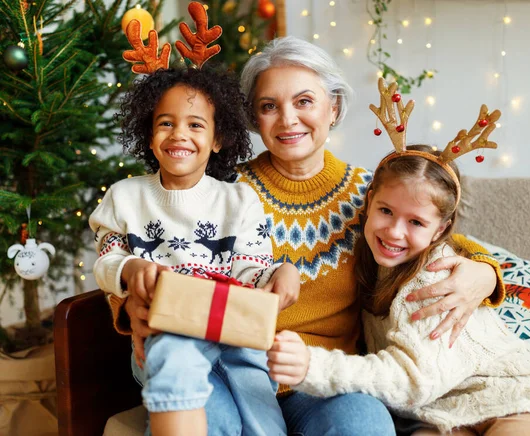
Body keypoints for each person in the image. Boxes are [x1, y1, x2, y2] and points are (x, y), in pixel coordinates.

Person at [120, 36, 506, 435]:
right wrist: (127, 300)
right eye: (269, 106)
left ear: (333, 107)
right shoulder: (220, 191)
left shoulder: (371, 194)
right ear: (255, 118)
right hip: (223, 368)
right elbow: (147, 243)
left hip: (323, 380)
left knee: (365, 424)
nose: (288, 120)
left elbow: (440, 237)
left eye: (304, 101)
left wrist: (485, 273)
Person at [266, 143, 530, 436]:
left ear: (441, 230)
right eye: (386, 211)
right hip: (440, 411)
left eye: (416, 223)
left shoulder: (435, 274)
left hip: (515, 394)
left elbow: (411, 380)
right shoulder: (364, 255)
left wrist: (312, 365)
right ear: (369, 200)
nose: (394, 231)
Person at [89, 67, 299, 436]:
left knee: (261, 420)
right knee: (176, 360)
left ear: (218, 139)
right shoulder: (124, 197)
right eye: (165, 123)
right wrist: (131, 268)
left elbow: (251, 271)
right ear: (149, 135)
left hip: (234, 333)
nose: (179, 134)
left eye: (196, 125)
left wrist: (282, 273)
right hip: (166, 332)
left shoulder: (239, 200)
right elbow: (107, 260)